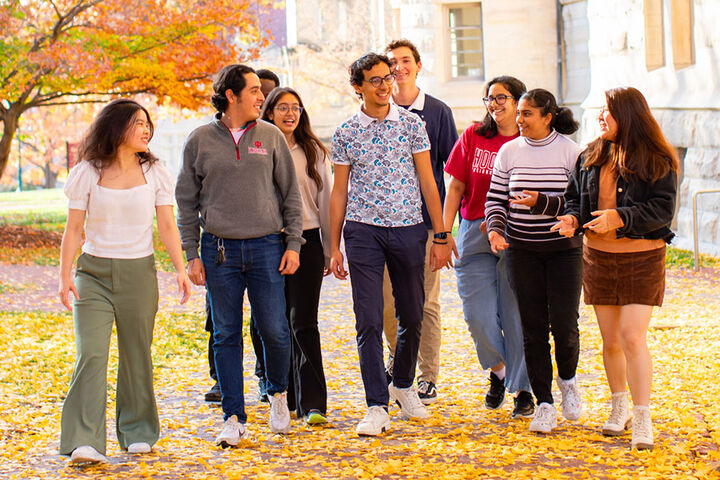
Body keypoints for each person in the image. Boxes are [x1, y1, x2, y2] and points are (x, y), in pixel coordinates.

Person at [175, 64, 303, 447]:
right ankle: (233, 416)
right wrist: (190, 253)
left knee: (276, 331)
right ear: (231, 95)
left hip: (267, 248)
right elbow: (185, 202)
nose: (261, 96)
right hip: (218, 252)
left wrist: (293, 244)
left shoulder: (271, 137)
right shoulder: (199, 140)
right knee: (226, 334)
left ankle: (277, 393)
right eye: (252, 90)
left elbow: (290, 196)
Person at [58, 99, 192, 464]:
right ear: (116, 128)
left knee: (136, 354)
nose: (146, 130)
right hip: (93, 274)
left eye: (148, 124)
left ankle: (137, 430)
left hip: (139, 274)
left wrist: (180, 268)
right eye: (137, 123)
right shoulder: (87, 171)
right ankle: (84, 440)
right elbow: (73, 230)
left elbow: (166, 224)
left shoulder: (155, 172)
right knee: (92, 353)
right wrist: (64, 275)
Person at [329, 53, 452, 436]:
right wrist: (333, 246)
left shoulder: (412, 125)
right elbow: (338, 192)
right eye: (376, 80)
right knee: (367, 318)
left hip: (409, 228)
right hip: (363, 231)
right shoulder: (346, 132)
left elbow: (429, 182)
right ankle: (376, 404)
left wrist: (442, 234)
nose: (385, 86)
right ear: (358, 87)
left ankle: (403, 384)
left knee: (412, 315)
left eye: (388, 78)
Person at [553, 87, 678, 450]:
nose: (600, 117)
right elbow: (575, 198)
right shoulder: (590, 154)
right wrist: (572, 220)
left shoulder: (658, 159)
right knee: (610, 342)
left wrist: (619, 217)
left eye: (606, 111)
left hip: (643, 258)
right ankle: (618, 408)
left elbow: (661, 211)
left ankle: (642, 417)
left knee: (632, 337)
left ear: (627, 115)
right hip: (599, 259)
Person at [485, 88, 582, 434]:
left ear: (547, 116)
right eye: (520, 113)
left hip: (563, 253)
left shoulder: (572, 152)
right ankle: (544, 402)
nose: (520, 119)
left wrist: (541, 202)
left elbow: (578, 205)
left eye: (527, 113)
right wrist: (496, 230)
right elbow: (495, 199)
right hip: (522, 252)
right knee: (533, 328)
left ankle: (568, 380)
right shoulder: (508, 152)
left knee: (565, 326)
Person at [443, 76, 534, 418]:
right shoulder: (473, 137)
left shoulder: (531, 141)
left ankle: (523, 390)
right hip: (473, 232)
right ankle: (499, 372)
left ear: (517, 101)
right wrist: (443, 231)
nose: (495, 105)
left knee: (516, 317)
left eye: (502, 98)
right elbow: (455, 188)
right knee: (478, 317)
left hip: (519, 236)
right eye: (490, 99)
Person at [381, 39, 458, 404]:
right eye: (392, 62)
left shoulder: (438, 112)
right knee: (386, 302)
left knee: (426, 301)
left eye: (405, 60)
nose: (399, 67)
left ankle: (427, 376)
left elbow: (449, 173)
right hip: (384, 222)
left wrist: (444, 229)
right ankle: (400, 361)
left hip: (427, 223)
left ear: (418, 65)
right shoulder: (375, 110)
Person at [261, 87, 332, 425]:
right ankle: (282, 397)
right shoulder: (257, 147)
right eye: (282, 108)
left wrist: (332, 248)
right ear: (269, 111)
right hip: (266, 242)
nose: (290, 114)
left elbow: (326, 199)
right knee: (276, 325)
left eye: (296, 108)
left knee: (303, 322)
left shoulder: (313, 150)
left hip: (307, 239)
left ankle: (313, 403)